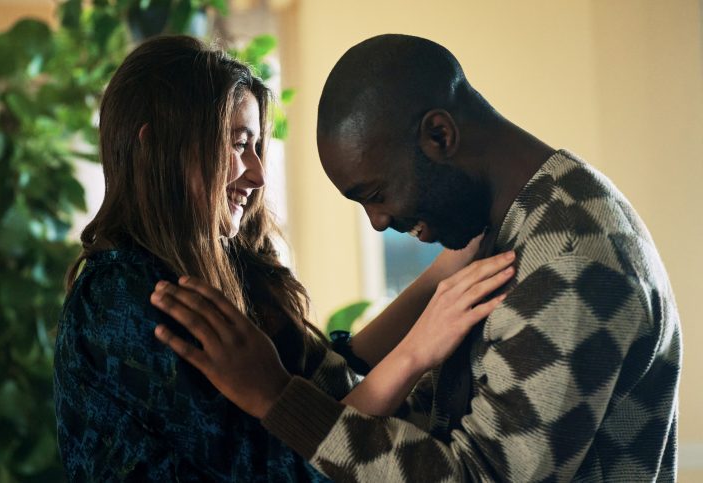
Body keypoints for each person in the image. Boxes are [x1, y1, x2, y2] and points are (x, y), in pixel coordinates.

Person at [152, 34, 682, 482]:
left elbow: (477, 475)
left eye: (376, 194)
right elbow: (418, 422)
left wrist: (280, 400)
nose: (379, 222)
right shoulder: (508, 230)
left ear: (439, 135)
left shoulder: (570, 260)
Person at [54, 35, 515, 481]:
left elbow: (327, 384)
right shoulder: (121, 300)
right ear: (154, 147)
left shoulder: (223, 266)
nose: (257, 175)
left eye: (257, 147)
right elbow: (292, 466)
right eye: (238, 144)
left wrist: (444, 274)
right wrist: (417, 352)